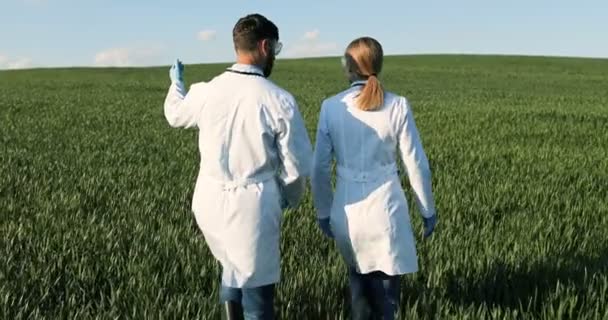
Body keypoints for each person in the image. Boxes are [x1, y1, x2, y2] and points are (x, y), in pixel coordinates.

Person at [163, 13, 313, 319]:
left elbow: (175, 115)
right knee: (258, 297)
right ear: (264, 46)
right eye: (276, 48)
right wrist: (288, 198)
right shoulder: (279, 100)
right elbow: (297, 167)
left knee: (230, 267)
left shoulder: (206, 91)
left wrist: (176, 84)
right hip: (251, 204)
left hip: (207, 198)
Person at [310, 36, 437, 319]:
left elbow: (318, 167)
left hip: (347, 213)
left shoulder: (330, 107)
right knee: (387, 297)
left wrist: (322, 212)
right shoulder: (398, 105)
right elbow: (416, 164)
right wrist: (427, 210)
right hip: (387, 212)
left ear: (349, 67)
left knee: (359, 289)